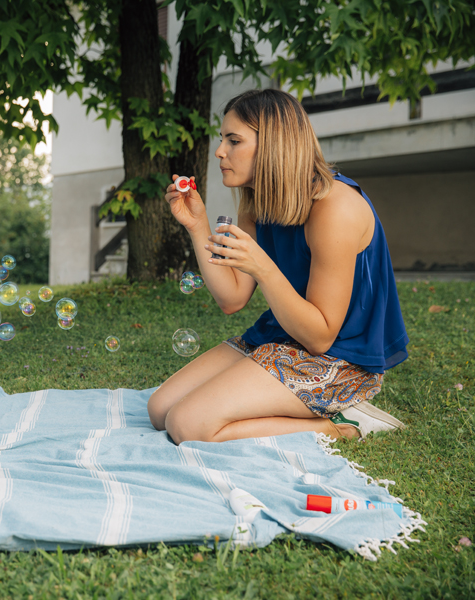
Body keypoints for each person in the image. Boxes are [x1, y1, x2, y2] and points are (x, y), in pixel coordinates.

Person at [148, 89, 408, 444]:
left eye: (234, 140)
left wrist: (263, 267)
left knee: (187, 425)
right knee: (161, 409)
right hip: (281, 338)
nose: (220, 151)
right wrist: (197, 226)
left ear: (274, 143)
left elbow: (320, 336)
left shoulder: (335, 209)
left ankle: (341, 424)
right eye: (222, 139)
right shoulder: (256, 200)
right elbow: (232, 299)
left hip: (339, 360)